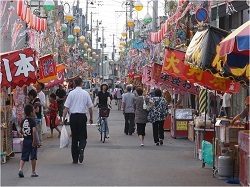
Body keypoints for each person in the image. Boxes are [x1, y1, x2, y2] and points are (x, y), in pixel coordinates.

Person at [62, 78, 93, 164]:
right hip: (82, 116)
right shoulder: (85, 93)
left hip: (73, 117)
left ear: (74, 84)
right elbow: (90, 107)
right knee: (83, 136)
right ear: (82, 83)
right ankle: (81, 148)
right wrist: (91, 117)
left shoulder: (71, 93)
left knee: (74, 137)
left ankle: (75, 158)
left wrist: (63, 118)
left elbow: (66, 107)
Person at [18, 104, 38, 178]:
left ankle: (20, 169)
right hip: (31, 140)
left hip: (25, 140)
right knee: (33, 157)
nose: (34, 111)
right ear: (31, 113)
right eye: (33, 110)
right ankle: (33, 172)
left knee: (24, 156)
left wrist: (23, 133)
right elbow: (34, 131)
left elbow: (20, 130)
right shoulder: (32, 121)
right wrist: (34, 141)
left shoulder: (23, 121)